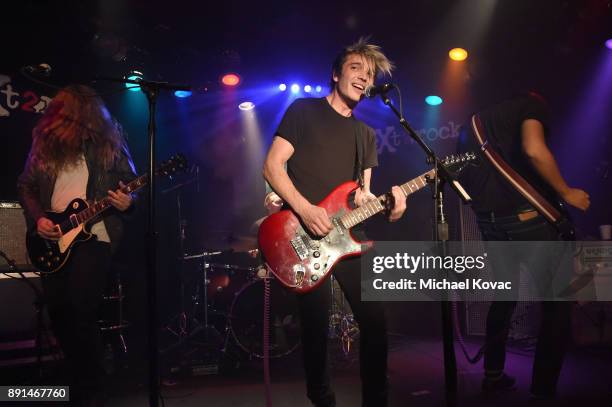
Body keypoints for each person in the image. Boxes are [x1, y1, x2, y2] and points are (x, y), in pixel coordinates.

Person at [263, 38, 407, 407]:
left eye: (370, 74)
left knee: (375, 322)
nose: (364, 77)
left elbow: (364, 196)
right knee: (316, 328)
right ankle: (322, 399)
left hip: (346, 236)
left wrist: (392, 206)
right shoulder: (303, 112)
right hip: (302, 236)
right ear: (336, 73)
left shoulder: (366, 135)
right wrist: (305, 209)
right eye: (356, 68)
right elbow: (272, 166)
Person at [457, 91, 590, 399]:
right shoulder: (533, 105)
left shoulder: (471, 125)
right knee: (557, 306)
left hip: (491, 224)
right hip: (528, 219)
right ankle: (543, 392)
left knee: (505, 297)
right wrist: (566, 192)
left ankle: (492, 375)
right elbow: (534, 150)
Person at [17, 84, 137, 405]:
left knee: (81, 309)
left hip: (94, 237)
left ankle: (93, 388)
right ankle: (78, 380)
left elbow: (131, 184)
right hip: (54, 238)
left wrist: (128, 201)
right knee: (58, 313)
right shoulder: (45, 145)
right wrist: (40, 219)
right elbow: (26, 186)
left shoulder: (108, 145)